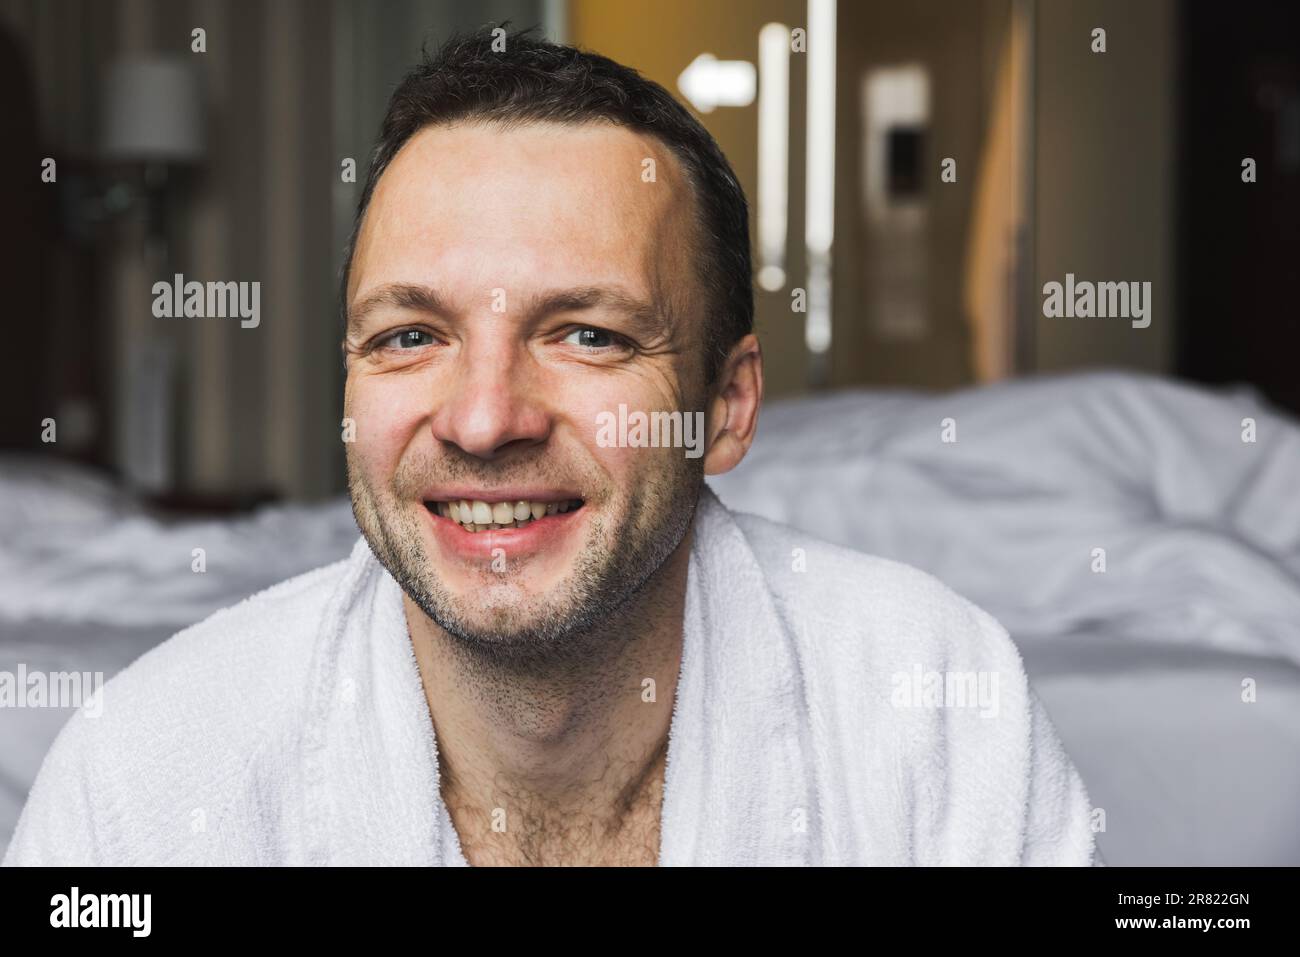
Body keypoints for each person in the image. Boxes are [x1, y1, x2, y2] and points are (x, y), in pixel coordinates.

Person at [4, 24, 1099, 867]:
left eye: (585, 333)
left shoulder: (941, 714)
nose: (484, 421)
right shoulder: (141, 783)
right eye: (410, 336)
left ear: (726, 405)